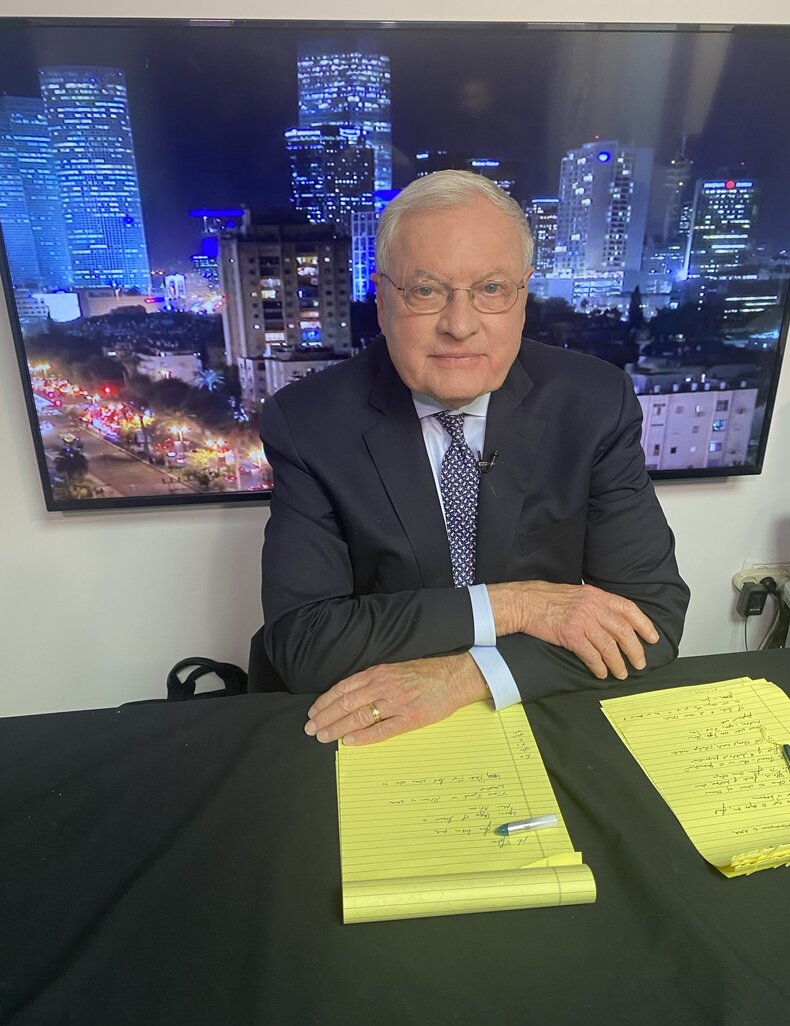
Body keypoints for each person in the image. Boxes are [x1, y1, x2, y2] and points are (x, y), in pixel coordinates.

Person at [258, 170, 689, 747]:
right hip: (373, 723)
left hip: (532, 704)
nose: (459, 326)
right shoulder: (308, 421)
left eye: (490, 289)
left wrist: (467, 676)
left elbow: (650, 619)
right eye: (425, 290)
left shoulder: (594, 402)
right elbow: (304, 643)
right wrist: (515, 606)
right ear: (382, 301)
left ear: (522, 297)